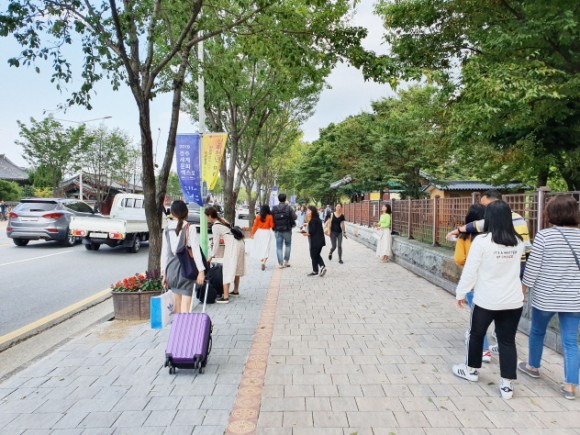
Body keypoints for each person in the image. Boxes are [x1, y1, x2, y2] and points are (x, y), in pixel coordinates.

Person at [452, 200, 525, 400]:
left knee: (476, 334)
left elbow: (470, 271)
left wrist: (460, 293)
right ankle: (507, 385)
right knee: (507, 341)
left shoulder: (482, 242)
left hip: (487, 300)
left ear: (489, 219)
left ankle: (471, 370)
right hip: (513, 300)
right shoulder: (518, 242)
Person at [518, 195, 580, 400]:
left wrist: (523, 290)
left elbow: (533, 268)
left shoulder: (545, 236)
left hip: (546, 296)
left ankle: (533, 366)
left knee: (537, 331)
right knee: (571, 341)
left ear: (552, 214)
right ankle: (571, 386)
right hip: (574, 299)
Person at [448, 189, 531, 278]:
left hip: (505, 269)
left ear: (496, 203)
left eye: (486, 205)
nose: (485, 209)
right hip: (516, 267)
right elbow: (526, 248)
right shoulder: (519, 218)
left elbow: (477, 224)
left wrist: (456, 231)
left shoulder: (496, 221)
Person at [453, 204, 493, 362]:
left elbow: (458, 259)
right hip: (492, 281)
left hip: (473, 283)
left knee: (477, 317)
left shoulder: (464, 237)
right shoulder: (493, 236)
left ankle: (483, 350)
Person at [161, 200, 206, 313]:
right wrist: (201, 271)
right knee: (185, 308)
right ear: (186, 212)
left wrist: (164, 274)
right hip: (186, 271)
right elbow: (195, 251)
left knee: (177, 307)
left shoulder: (166, 229)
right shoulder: (189, 228)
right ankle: (185, 330)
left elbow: (164, 254)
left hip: (171, 272)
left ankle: (178, 330)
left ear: (172, 212)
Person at [205, 206, 246, 304]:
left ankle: (226, 297)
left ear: (210, 216)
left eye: (206, 216)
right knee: (236, 267)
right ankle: (235, 291)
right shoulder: (222, 220)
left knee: (227, 269)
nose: (206, 218)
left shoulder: (215, 226)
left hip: (232, 246)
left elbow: (216, 243)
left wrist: (211, 256)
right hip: (240, 243)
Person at [272, 193, 297, 268]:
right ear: (285, 199)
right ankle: (286, 261)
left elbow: (271, 218)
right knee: (288, 245)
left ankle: (280, 263)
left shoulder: (274, 208)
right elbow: (295, 217)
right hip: (287, 230)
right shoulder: (289, 208)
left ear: (278, 199)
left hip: (278, 230)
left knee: (279, 247)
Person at [303, 205, 326, 276]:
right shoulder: (317, 219)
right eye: (307, 210)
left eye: (308, 210)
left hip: (315, 242)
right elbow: (315, 228)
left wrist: (304, 233)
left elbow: (311, 231)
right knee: (316, 255)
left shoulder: (313, 220)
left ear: (312, 212)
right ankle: (321, 267)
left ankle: (317, 269)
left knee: (313, 255)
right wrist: (307, 224)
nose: (307, 212)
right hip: (320, 241)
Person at [250, 205, 274, 271]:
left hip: (259, 233)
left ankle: (262, 261)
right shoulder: (270, 217)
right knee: (266, 247)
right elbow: (272, 225)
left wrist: (252, 233)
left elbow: (255, 225)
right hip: (267, 233)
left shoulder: (258, 216)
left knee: (260, 247)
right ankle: (263, 262)